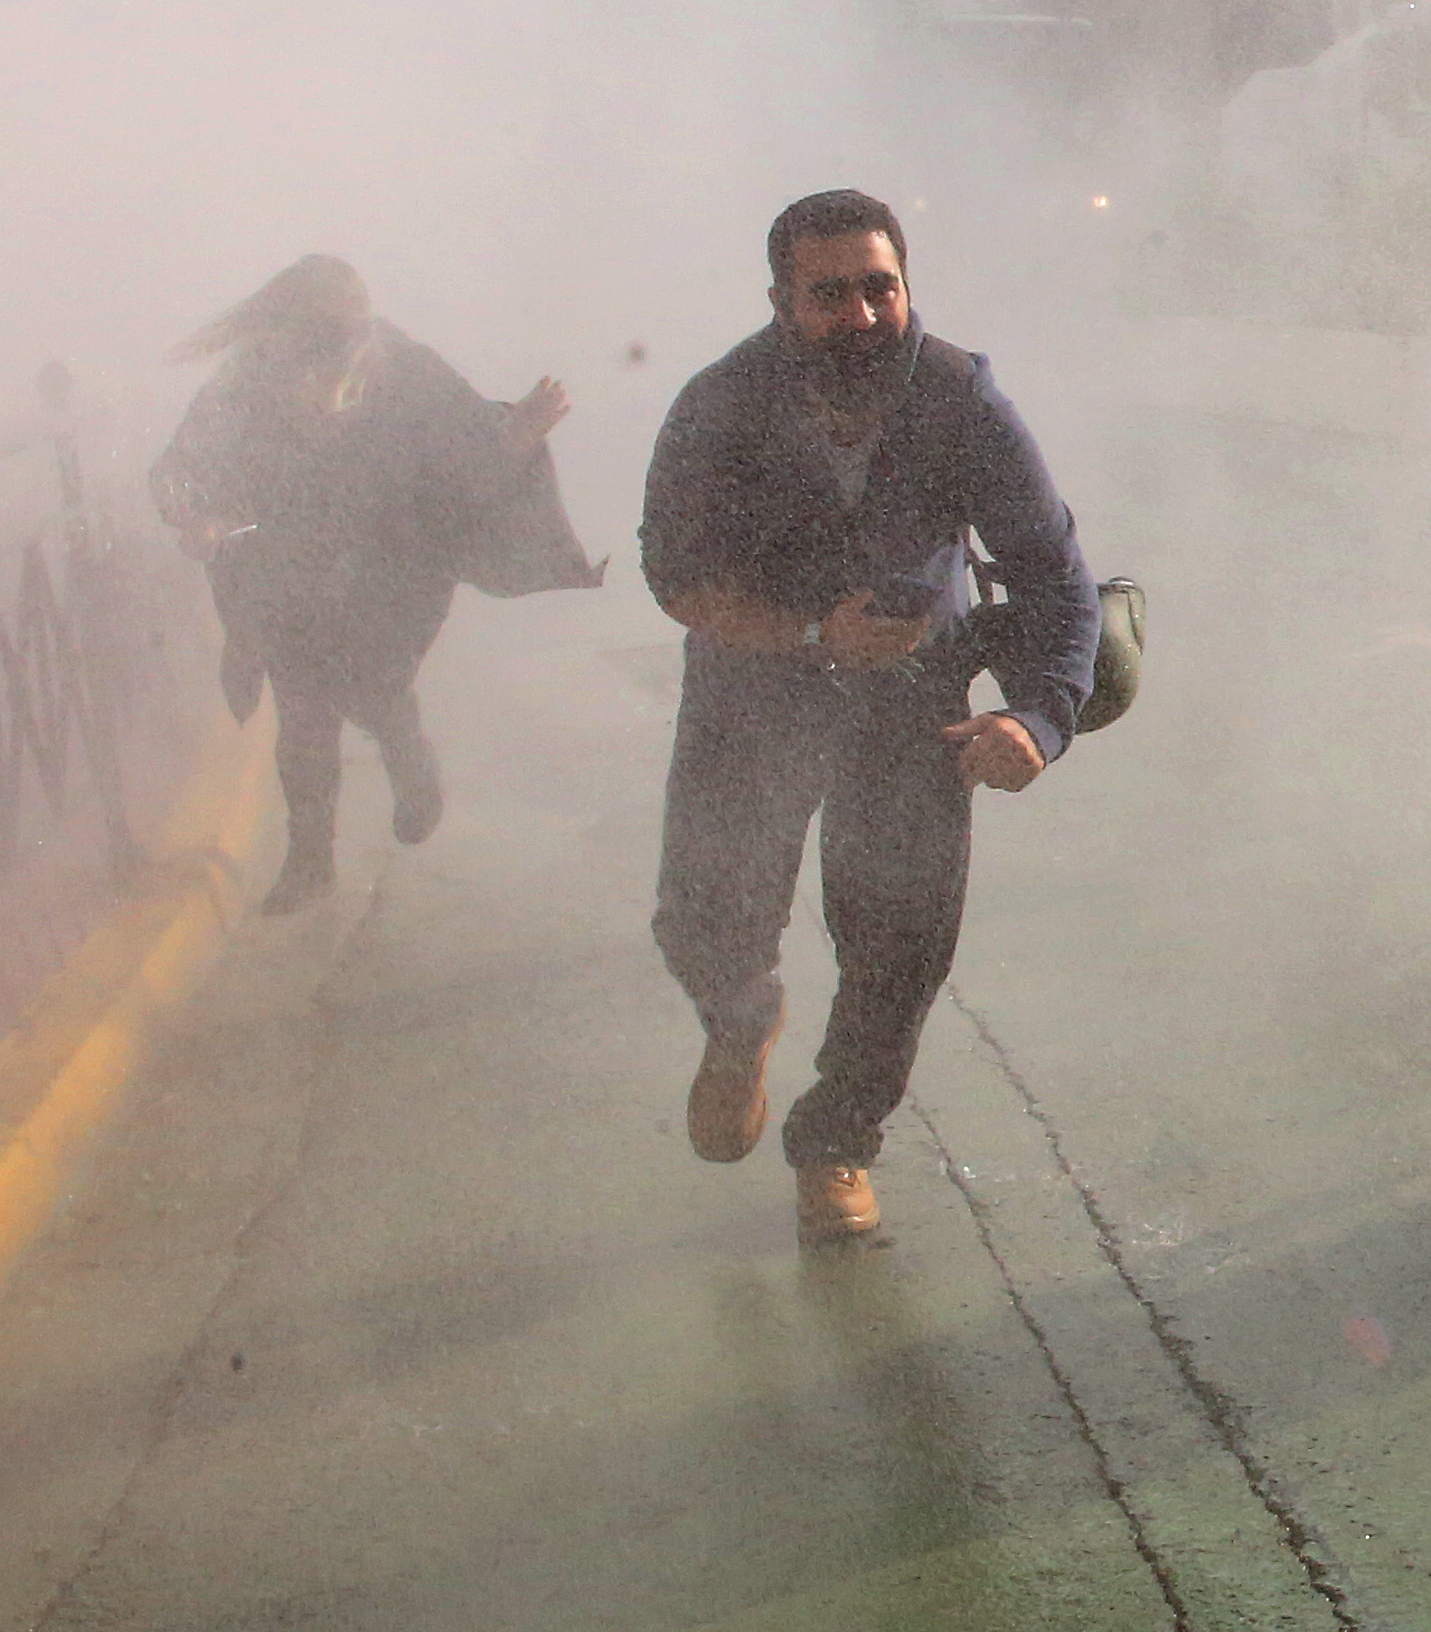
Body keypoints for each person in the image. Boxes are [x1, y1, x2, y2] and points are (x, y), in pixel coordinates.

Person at [641, 190, 1100, 1248]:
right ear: (781, 301)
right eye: (829, 294)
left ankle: (836, 1140)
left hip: (909, 703)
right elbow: (675, 577)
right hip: (753, 693)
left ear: (905, 286)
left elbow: (1054, 576)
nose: (859, 315)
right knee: (702, 918)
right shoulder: (721, 403)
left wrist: (1040, 719)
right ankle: (740, 1020)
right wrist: (811, 636)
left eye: (878, 289)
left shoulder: (958, 398)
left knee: (901, 944)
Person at [153, 255, 592, 916]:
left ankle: (407, 755)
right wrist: (197, 516)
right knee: (304, 715)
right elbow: (182, 466)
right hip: (291, 565)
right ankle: (310, 862)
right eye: (332, 321)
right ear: (292, 326)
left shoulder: (402, 365)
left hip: (393, 566)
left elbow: (463, 445)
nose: (351, 332)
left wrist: (515, 433)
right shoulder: (249, 378)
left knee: (377, 688)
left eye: (357, 314)